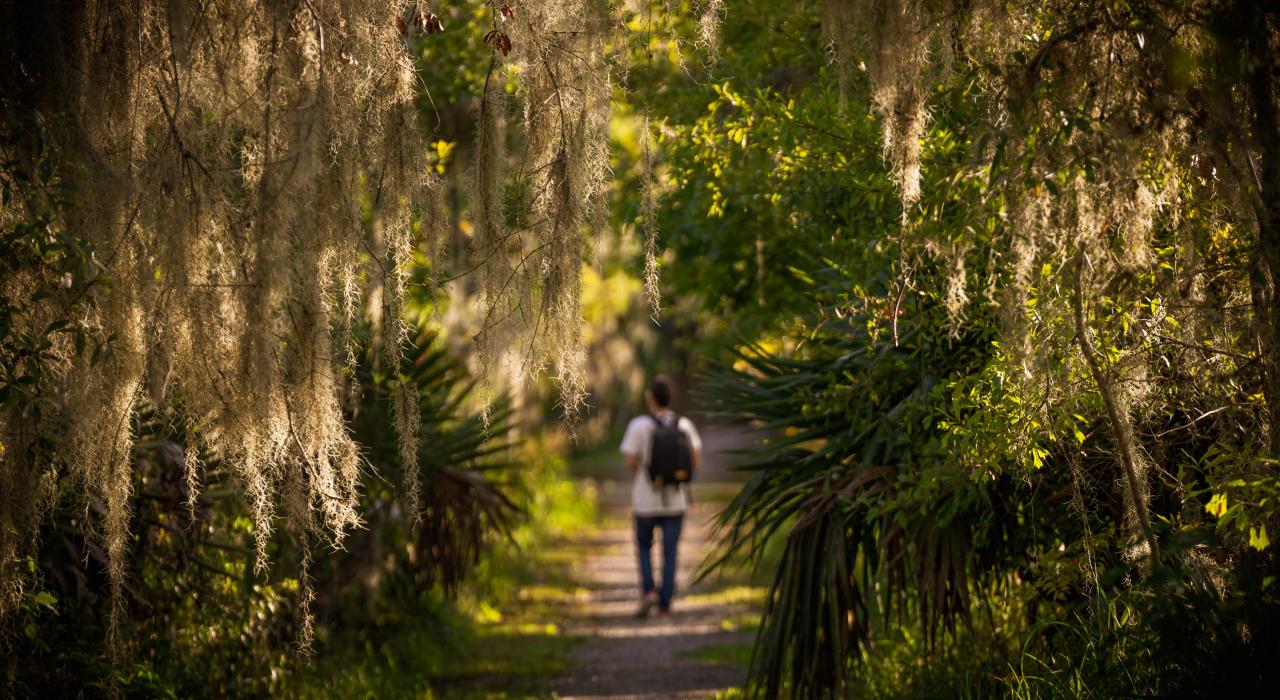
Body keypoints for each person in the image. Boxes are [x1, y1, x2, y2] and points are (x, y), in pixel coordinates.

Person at [619, 374, 702, 618]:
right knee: (670, 552)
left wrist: (647, 472)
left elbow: (630, 461)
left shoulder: (638, 426)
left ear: (650, 398)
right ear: (670, 398)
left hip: (645, 501)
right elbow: (695, 462)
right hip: (676, 501)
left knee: (644, 547)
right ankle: (665, 605)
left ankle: (649, 592)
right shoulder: (684, 425)